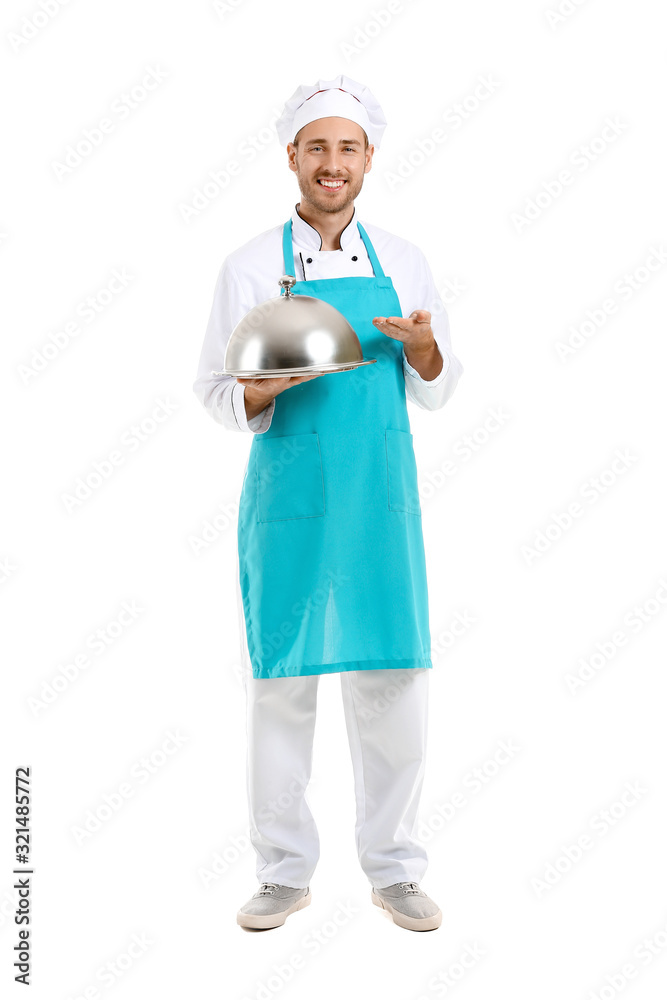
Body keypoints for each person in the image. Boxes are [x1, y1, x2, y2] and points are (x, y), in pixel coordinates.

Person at [193, 74, 464, 933]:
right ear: (291, 158)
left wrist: (423, 349)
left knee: (392, 683)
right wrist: (264, 387)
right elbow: (212, 391)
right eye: (317, 147)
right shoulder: (248, 266)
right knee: (282, 686)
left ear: (368, 159)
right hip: (291, 505)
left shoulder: (408, 260)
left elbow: (440, 386)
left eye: (347, 148)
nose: (332, 163)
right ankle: (282, 871)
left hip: (380, 503)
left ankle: (394, 869)